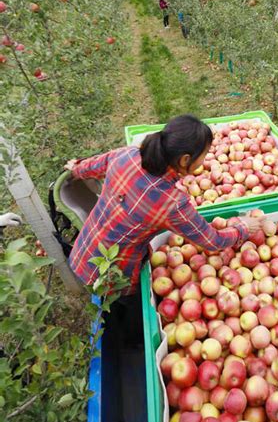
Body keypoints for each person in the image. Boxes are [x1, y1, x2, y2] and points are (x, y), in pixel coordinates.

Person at [64, 114, 264, 298]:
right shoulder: (172, 203)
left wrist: (76, 167)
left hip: (83, 252)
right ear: (185, 159)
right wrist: (243, 228)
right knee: (121, 314)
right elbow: (211, 241)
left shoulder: (127, 154)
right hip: (112, 274)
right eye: (204, 154)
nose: (204, 160)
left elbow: (90, 167)